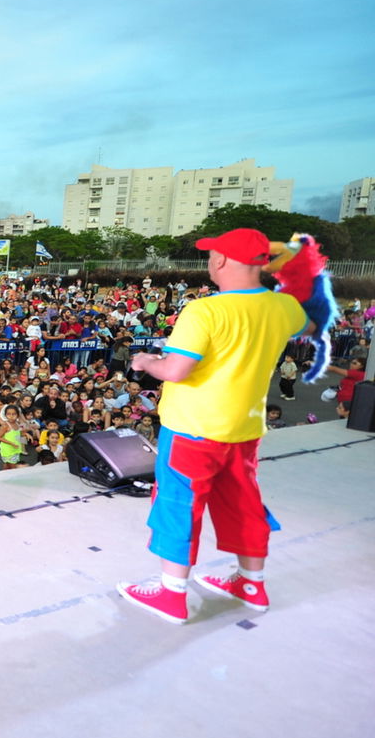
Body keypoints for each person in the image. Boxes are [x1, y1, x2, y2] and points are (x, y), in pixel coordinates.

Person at [118, 228, 310, 624]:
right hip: (245, 428)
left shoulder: (204, 311)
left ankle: (171, 595)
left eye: (211, 256)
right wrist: (276, 262)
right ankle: (251, 583)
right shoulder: (284, 307)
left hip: (193, 428)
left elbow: (176, 369)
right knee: (243, 501)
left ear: (220, 261)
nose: (209, 262)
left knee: (178, 503)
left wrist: (144, 362)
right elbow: (305, 326)